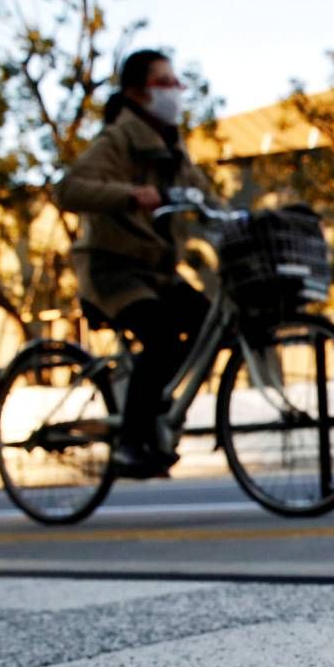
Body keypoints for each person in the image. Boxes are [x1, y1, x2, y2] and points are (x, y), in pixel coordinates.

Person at [56, 49, 212, 478]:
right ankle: (129, 442)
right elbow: (70, 189)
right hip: (113, 270)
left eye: (174, 82)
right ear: (136, 92)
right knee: (162, 338)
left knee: (206, 323)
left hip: (157, 271)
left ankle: (151, 399)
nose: (175, 90)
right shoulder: (119, 139)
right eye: (164, 82)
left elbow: (204, 193)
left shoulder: (173, 145)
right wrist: (128, 194)